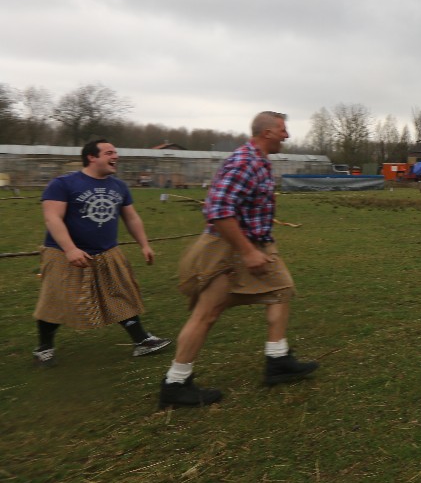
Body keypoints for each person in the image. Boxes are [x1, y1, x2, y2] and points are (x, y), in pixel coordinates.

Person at [158, 111, 318, 408]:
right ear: (267, 132)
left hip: (257, 244)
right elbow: (219, 210)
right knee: (207, 313)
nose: (286, 135)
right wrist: (246, 251)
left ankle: (277, 360)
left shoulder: (259, 161)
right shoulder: (245, 162)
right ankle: (175, 384)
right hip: (229, 250)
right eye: (282, 130)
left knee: (282, 290)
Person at [33, 139, 171, 365]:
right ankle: (44, 349)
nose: (115, 156)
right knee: (56, 301)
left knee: (120, 294)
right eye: (109, 152)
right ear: (92, 157)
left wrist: (144, 245)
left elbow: (132, 218)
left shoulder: (119, 186)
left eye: (116, 152)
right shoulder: (63, 184)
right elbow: (52, 218)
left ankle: (141, 341)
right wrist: (70, 249)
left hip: (107, 252)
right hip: (64, 254)